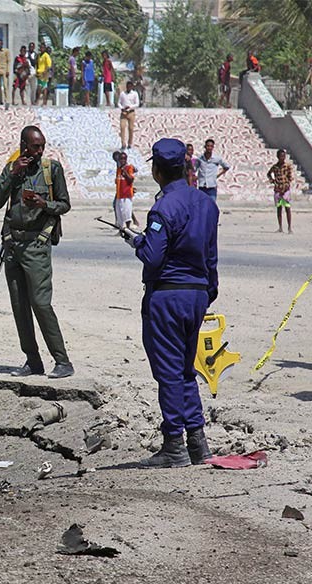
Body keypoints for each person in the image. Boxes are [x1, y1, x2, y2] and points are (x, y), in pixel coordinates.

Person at [123, 138, 219, 468]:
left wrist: (138, 241)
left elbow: (152, 257)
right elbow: (211, 256)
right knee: (184, 370)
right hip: (197, 294)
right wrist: (207, 292)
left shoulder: (164, 207)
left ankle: (174, 444)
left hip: (167, 295)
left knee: (168, 372)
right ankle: (198, 442)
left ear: (157, 170)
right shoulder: (206, 204)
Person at [0, 126, 74, 379]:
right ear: (23, 145)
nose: (39, 151)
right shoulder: (12, 169)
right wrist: (12, 175)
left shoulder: (52, 170)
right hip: (12, 244)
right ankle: (33, 360)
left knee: (40, 303)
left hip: (37, 245)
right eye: (35, 146)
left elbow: (64, 204)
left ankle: (62, 361)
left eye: (42, 146)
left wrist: (42, 204)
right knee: (19, 306)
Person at [267, 149, 293, 234]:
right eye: (281, 156)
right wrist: (272, 180)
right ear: (278, 157)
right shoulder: (275, 167)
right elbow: (269, 173)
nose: (283, 157)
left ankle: (289, 227)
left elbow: (290, 177)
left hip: (285, 190)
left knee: (287, 208)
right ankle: (280, 227)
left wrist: (286, 186)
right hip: (278, 189)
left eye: (284, 156)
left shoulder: (287, 166)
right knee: (279, 208)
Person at [115, 152, 135, 230]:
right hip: (119, 194)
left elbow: (131, 180)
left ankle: (128, 228)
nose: (122, 160)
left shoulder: (129, 168)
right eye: (121, 159)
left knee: (127, 211)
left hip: (126, 194)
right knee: (119, 212)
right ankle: (121, 228)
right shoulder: (118, 169)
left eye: (124, 159)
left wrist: (125, 172)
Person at [117, 81, 139, 151]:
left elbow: (137, 104)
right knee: (122, 127)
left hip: (131, 112)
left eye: (130, 86)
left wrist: (130, 107)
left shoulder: (135, 94)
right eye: (127, 86)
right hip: (124, 113)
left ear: (132, 87)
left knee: (131, 128)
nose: (128, 88)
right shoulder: (123, 94)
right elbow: (119, 103)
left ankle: (130, 143)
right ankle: (123, 143)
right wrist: (122, 108)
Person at [0, 39, 11, 108]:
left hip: (4, 69)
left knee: (5, 86)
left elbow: (8, 61)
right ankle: (0, 100)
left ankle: (6, 100)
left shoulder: (6, 51)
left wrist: (8, 70)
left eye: (0, 44)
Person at [26, 42, 38, 106]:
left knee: (33, 88)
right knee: (26, 88)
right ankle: (26, 101)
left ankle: (32, 101)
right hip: (27, 73)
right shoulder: (26, 53)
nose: (31, 48)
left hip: (33, 73)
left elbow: (35, 63)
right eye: (30, 46)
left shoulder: (35, 55)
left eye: (32, 47)